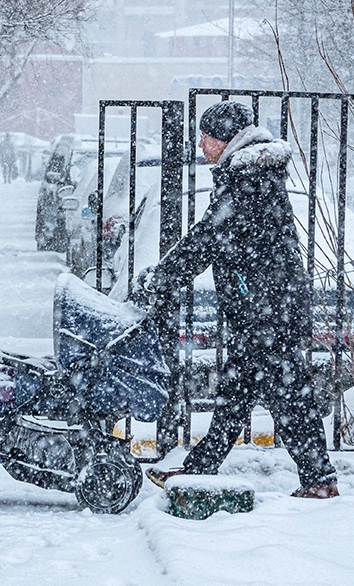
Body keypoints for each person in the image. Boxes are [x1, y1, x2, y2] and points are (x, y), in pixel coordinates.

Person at [143, 100, 339, 499]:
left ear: (227, 139)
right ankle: (201, 468)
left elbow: (208, 238)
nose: (200, 143)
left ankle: (319, 480)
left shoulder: (249, 179)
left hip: (268, 311)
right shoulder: (247, 173)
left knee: (288, 395)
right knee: (236, 391)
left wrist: (161, 277)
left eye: (206, 136)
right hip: (262, 308)